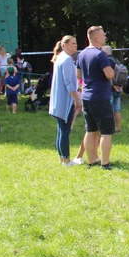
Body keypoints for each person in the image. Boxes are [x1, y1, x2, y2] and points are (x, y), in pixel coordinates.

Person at [78, 27, 116, 169]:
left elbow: (78, 74)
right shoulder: (100, 55)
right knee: (106, 132)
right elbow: (109, 75)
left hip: (86, 96)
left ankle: (91, 160)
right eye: (103, 35)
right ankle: (105, 163)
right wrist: (113, 69)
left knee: (91, 130)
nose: (105, 36)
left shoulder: (81, 54)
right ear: (96, 38)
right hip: (100, 97)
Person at [49, 36, 83, 167]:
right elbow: (68, 82)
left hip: (58, 101)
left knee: (61, 130)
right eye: (73, 43)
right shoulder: (67, 60)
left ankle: (62, 158)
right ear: (65, 45)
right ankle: (67, 160)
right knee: (64, 130)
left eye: (76, 43)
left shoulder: (60, 58)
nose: (75, 46)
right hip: (65, 101)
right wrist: (76, 99)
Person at [102, 44, 124, 134]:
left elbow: (109, 75)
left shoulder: (107, 61)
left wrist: (113, 85)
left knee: (109, 110)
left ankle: (110, 128)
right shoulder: (117, 60)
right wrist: (120, 86)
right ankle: (118, 128)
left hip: (110, 89)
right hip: (118, 89)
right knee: (117, 110)